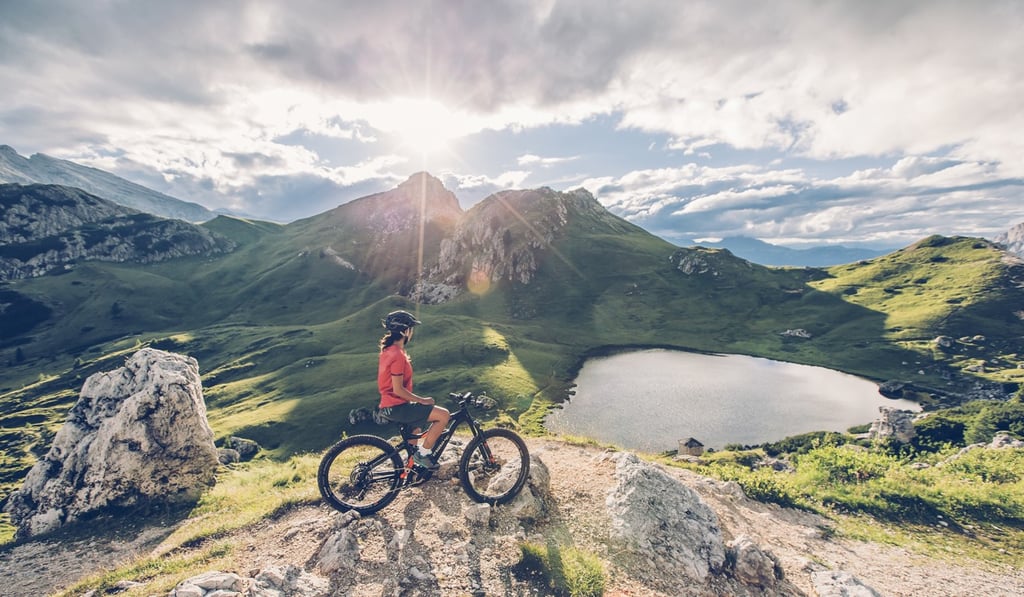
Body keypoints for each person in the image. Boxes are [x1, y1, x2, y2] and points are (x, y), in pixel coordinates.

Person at [377, 310, 450, 470]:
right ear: (405, 331)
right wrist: (421, 400)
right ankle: (423, 455)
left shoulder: (388, 351)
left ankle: (408, 471)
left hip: (389, 405)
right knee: (443, 415)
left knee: (416, 430)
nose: (412, 332)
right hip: (397, 406)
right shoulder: (397, 355)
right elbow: (397, 389)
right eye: (411, 328)